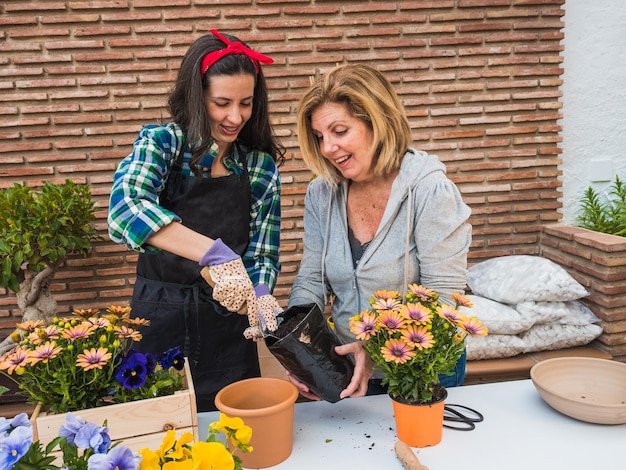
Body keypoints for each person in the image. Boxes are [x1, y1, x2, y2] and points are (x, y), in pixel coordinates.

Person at [107, 30, 285, 411]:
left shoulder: (259, 168)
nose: (235, 116)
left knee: (234, 439)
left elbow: (262, 254)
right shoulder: (163, 145)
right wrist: (214, 254)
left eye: (246, 103)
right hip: (158, 317)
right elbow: (125, 210)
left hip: (227, 330)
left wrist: (260, 293)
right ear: (197, 96)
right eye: (221, 102)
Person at [287, 63, 472, 401]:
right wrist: (299, 349)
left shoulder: (430, 191)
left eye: (339, 131)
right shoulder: (321, 193)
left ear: (379, 123)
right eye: (319, 137)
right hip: (349, 368)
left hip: (423, 369)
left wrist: (373, 351)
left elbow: (444, 299)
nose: (327, 148)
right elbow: (312, 280)